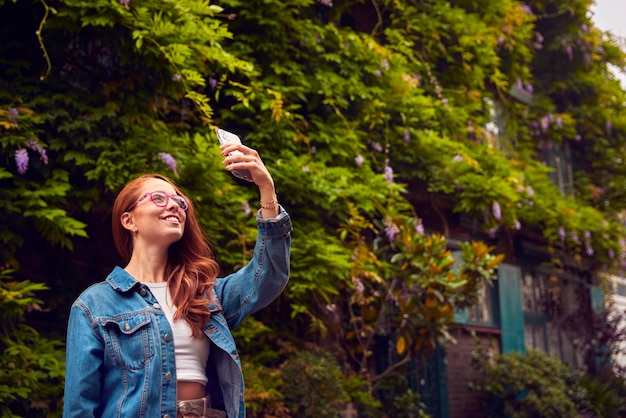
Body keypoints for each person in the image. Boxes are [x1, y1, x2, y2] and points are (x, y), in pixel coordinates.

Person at [63, 142, 292, 418]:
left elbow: (268, 275)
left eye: (179, 201)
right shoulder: (94, 306)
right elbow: (79, 408)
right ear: (128, 220)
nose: (174, 204)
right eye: (158, 198)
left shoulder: (206, 295)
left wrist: (267, 189)